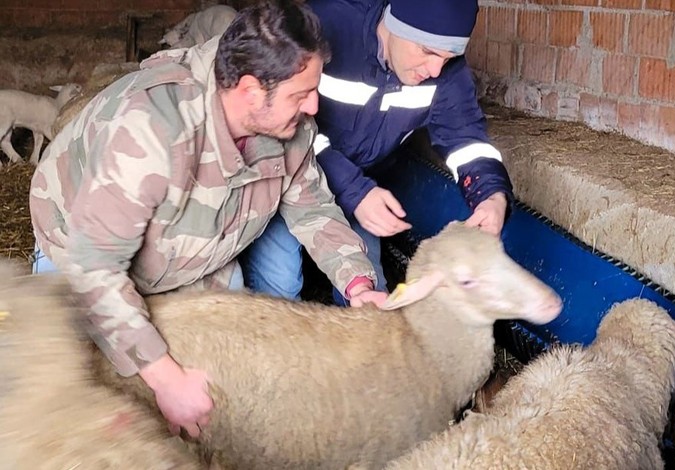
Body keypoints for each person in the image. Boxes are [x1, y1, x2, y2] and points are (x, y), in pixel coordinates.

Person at [29, 0, 385, 439]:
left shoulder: (290, 128)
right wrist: (166, 380)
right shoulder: (149, 129)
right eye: (300, 94)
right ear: (251, 90)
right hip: (82, 253)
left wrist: (357, 284)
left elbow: (313, 208)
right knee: (80, 408)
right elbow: (94, 269)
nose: (313, 106)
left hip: (197, 250)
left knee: (221, 396)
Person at [240, 0, 515, 305]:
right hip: (287, 184)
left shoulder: (446, 73)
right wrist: (355, 191)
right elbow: (289, 132)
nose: (436, 69)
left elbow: (466, 139)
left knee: (369, 291)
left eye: (450, 56)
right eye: (428, 51)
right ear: (395, 25)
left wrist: (491, 196)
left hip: (363, 186)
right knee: (281, 282)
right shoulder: (323, 30)